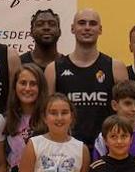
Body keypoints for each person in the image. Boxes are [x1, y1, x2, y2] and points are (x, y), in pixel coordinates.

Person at [47, 9, 128, 153]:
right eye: (82, 23)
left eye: (93, 24)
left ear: (100, 29)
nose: (87, 28)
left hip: (107, 150)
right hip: (66, 150)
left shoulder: (116, 67)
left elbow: (126, 115)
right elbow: (46, 115)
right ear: (72, 28)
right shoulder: (54, 69)